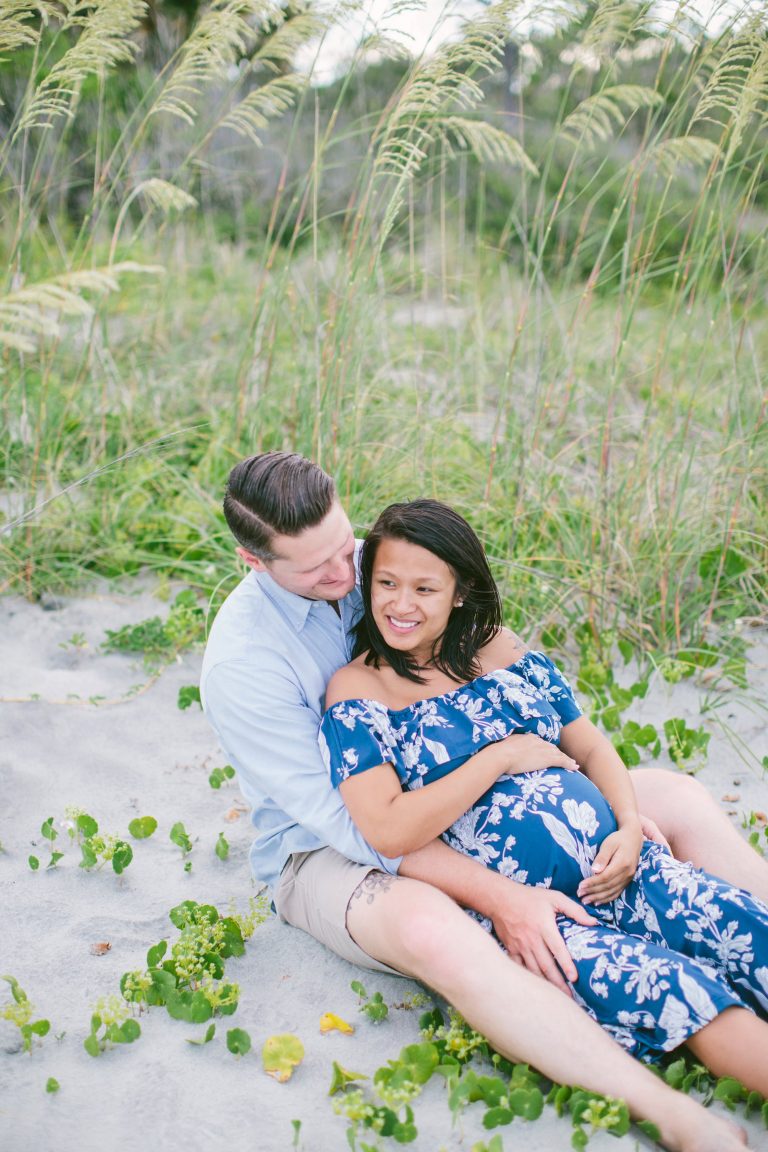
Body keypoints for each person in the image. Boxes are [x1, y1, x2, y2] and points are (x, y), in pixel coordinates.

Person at [201, 451, 765, 1151]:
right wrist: (502, 895)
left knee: (672, 796)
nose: (345, 577)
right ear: (255, 563)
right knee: (435, 930)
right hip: (331, 847)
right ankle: (675, 1116)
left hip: (471, 783)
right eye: (316, 570)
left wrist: (601, 810)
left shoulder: (381, 564)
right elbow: (363, 826)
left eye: (343, 547)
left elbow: (543, 715)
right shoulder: (245, 663)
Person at [319, 497, 768, 1095]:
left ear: (458, 592)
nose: (401, 604)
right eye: (387, 583)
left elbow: (592, 746)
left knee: (741, 925)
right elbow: (388, 829)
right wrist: (501, 756)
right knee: (681, 993)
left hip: (622, 866)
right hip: (539, 913)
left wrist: (630, 824)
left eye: (424, 588)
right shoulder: (358, 690)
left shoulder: (499, 649)